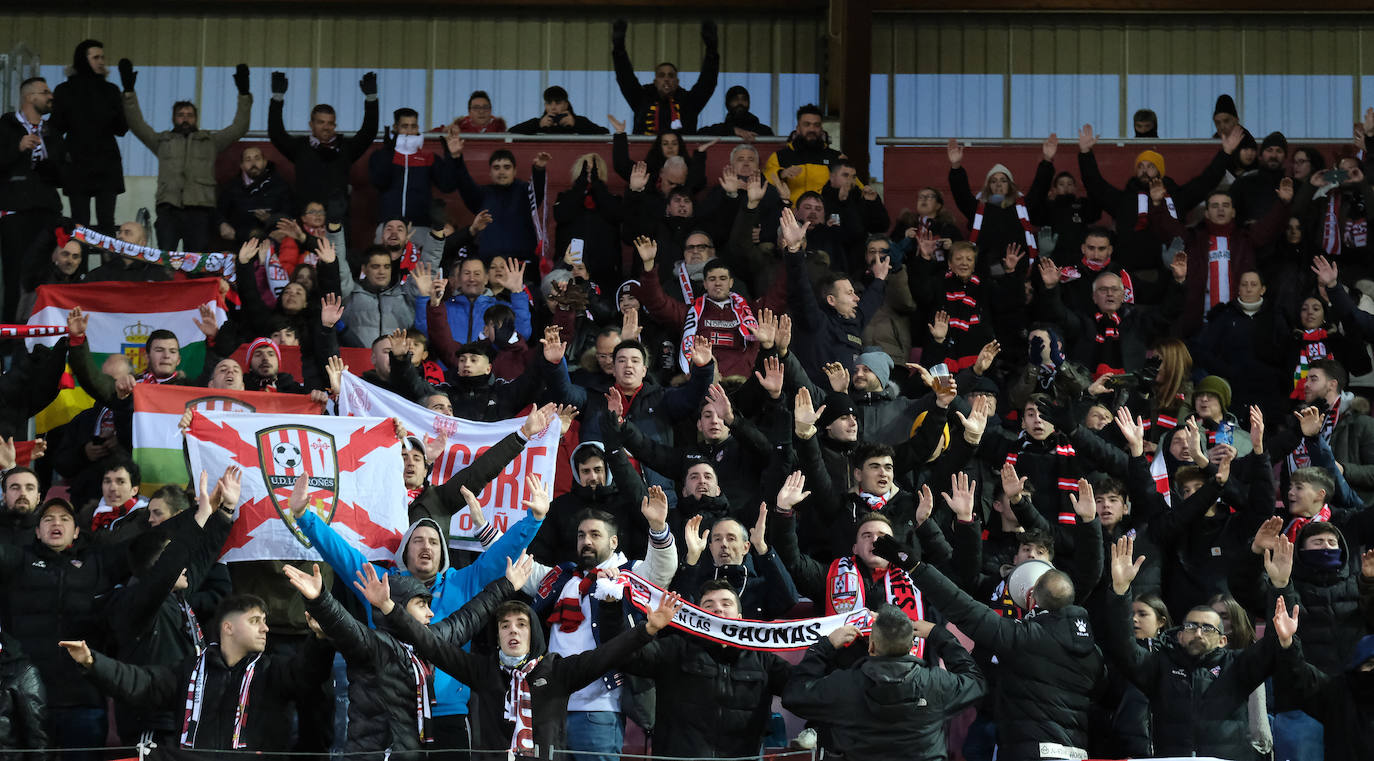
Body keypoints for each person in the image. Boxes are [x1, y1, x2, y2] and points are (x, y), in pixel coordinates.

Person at [369, 555, 681, 761]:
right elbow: (431, 645)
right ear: (497, 635)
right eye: (505, 626)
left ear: (533, 633)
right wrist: (390, 609)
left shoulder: (556, 671)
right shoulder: (482, 670)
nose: (513, 631)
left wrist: (647, 630)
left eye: (521, 624)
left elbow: (605, 655)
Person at [897, 484, 1106, 761]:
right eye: (1026, 549)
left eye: (1041, 551)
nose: (1032, 555)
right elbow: (961, 575)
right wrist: (957, 523)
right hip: (991, 703)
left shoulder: (1060, 602)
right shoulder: (993, 586)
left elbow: (1089, 572)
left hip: (1031, 720)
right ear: (1015, 557)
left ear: (1052, 565)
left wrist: (1090, 524)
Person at [59, 592, 333, 758]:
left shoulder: (275, 671)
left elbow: (309, 673)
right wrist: (93, 662)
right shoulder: (188, 669)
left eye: (264, 621)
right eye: (254, 621)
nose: (265, 629)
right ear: (227, 627)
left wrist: (320, 639)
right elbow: (141, 683)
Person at [1105, 534, 1285, 760]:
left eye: (1207, 628)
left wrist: (1280, 587)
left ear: (1223, 640)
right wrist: (1120, 591)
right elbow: (1122, 646)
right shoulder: (1159, 667)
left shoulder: (1238, 666)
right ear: (1180, 635)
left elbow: (1276, 643)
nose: (1198, 633)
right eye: (1191, 626)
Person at [783, 605, 985, 761]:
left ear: (871, 646)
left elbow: (795, 694)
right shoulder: (935, 683)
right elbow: (975, 681)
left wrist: (825, 646)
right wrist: (939, 635)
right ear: (912, 645)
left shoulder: (844, 685)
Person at [624, 580, 791, 756]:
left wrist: (814, 649)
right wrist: (641, 627)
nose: (718, 609)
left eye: (726, 604)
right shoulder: (675, 649)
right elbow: (624, 657)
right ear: (698, 616)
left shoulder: (762, 660)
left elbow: (802, 688)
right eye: (709, 605)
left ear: (740, 617)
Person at [118, 59, 253, 251]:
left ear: (196, 119)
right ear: (173, 118)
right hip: (168, 210)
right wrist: (129, 92)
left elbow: (239, 127)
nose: (185, 119)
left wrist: (244, 94)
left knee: (195, 262)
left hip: (199, 212)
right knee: (166, 261)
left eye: (190, 115)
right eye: (181, 115)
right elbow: (137, 124)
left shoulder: (210, 142)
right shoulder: (162, 141)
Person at [268, 70, 379, 224]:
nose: (326, 127)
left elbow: (369, 132)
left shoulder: (346, 148)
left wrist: (371, 99)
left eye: (330, 123)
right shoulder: (300, 147)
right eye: (321, 122)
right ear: (311, 124)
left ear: (335, 125)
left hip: (338, 221)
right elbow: (276, 134)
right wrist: (277, 98)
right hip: (305, 220)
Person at [0, 77, 64, 325]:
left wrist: (47, 160)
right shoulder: (6, 126)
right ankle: (11, 335)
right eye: (45, 91)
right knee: (15, 275)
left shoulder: (53, 131)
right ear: (29, 97)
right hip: (15, 211)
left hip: (47, 210)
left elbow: (62, 174)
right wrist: (18, 148)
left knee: (45, 273)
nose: (50, 96)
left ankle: (42, 333)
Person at [48, 40, 126, 232]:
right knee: (83, 222)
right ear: (83, 60)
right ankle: (82, 254)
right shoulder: (67, 90)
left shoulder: (109, 90)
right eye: (96, 57)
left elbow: (122, 128)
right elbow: (55, 127)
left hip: (101, 163)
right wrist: (61, 155)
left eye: (103, 57)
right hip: (82, 163)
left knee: (102, 222)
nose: (101, 62)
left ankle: (102, 254)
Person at [612, 19, 719, 134]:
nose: (666, 79)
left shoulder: (689, 103)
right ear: (655, 82)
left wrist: (712, 52)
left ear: (677, 82)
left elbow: (707, 82)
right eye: (662, 75)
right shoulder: (641, 99)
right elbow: (625, 78)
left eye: (671, 76)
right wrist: (619, 49)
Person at [368, 108, 461, 230]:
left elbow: (448, 186)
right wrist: (388, 151)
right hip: (388, 227)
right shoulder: (380, 155)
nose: (409, 131)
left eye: (413, 126)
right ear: (395, 128)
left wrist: (450, 155)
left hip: (420, 226)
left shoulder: (429, 157)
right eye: (405, 126)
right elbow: (379, 182)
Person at [764, 104, 842, 204]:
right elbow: (765, 180)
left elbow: (854, 185)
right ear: (798, 128)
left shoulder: (836, 157)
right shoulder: (780, 156)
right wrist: (781, 173)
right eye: (807, 124)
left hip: (824, 212)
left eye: (816, 125)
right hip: (790, 212)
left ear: (821, 129)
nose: (812, 129)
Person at [217, 146, 293, 243]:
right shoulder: (231, 187)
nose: (253, 163)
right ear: (242, 165)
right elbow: (219, 212)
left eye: (257, 159)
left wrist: (270, 218)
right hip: (242, 240)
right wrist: (222, 224)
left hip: (274, 239)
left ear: (265, 162)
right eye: (248, 160)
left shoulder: (280, 185)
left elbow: (290, 212)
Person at [508, 87, 609, 135]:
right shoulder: (537, 123)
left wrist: (576, 124)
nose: (553, 107)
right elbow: (511, 132)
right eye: (549, 103)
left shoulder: (579, 121)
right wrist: (538, 125)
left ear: (566, 104)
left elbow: (604, 133)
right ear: (545, 106)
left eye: (558, 103)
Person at [698, 85, 775, 139]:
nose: (740, 103)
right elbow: (700, 134)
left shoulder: (764, 131)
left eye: (744, 99)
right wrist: (732, 130)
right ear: (727, 104)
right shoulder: (720, 130)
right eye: (735, 99)